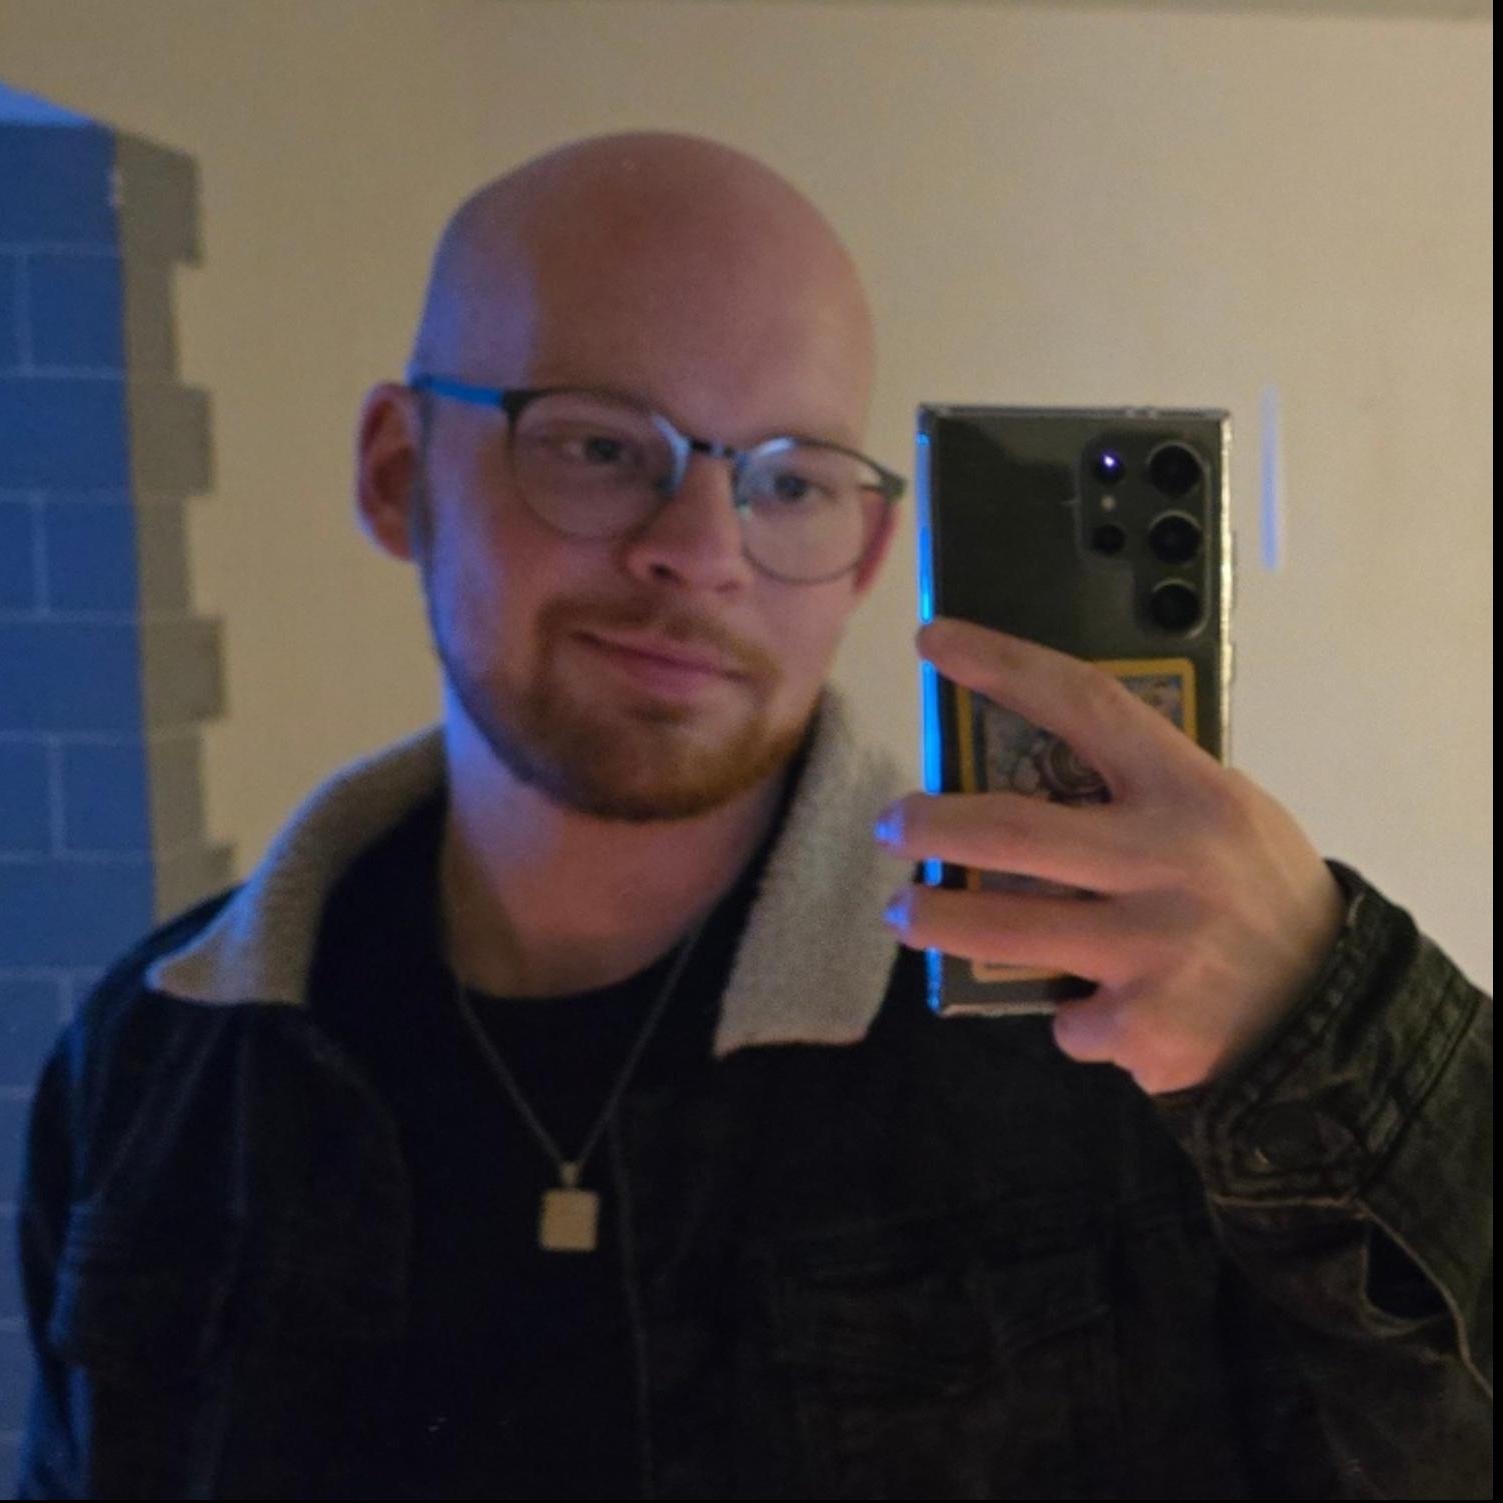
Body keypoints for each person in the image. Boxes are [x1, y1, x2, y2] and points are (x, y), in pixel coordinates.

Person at [15, 132, 1490, 1501]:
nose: (701, 550)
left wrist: (1331, 1018)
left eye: (789, 480)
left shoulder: (1114, 1036)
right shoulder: (153, 1070)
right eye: (600, 445)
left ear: (866, 556)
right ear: (401, 475)